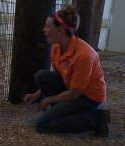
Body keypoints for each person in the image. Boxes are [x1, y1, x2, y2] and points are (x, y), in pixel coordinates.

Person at [23, 5, 110, 138]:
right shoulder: (56, 47)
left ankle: (97, 119)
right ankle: (65, 112)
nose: (44, 30)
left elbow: (74, 94)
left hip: (88, 98)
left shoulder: (84, 55)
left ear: (60, 30)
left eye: (47, 27)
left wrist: (48, 100)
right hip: (73, 90)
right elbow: (58, 75)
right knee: (41, 76)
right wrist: (37, 94)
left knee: (42, 124)